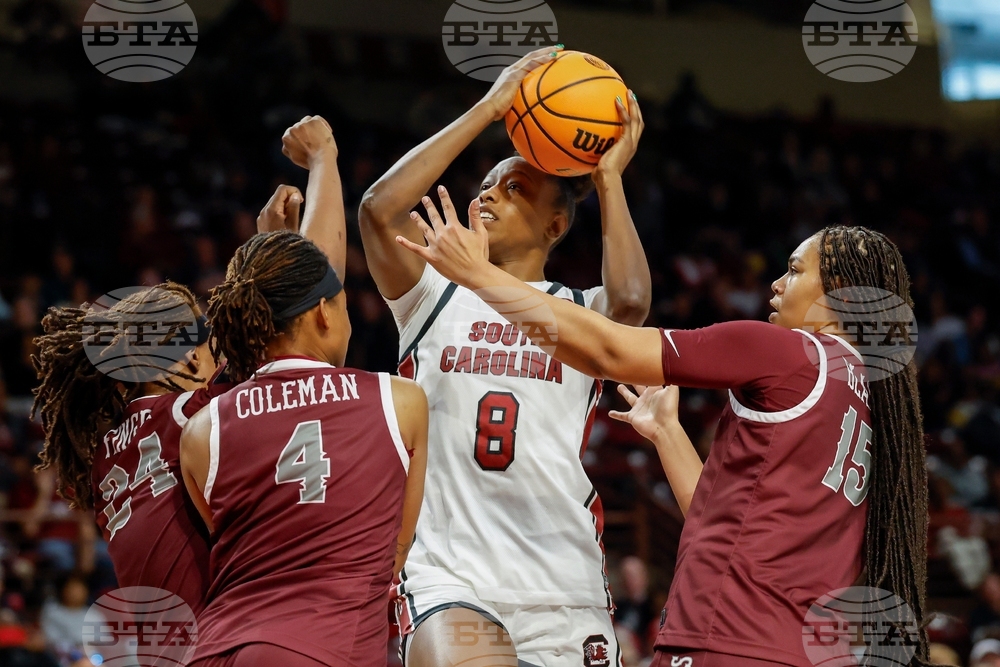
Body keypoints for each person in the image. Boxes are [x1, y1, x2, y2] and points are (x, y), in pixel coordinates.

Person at [398, 192, 931, 667]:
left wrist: (478, 275)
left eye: (794, 271)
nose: (775, 283)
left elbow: (608, 349)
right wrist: (668, 434)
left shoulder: (787, 354)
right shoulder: (869, 398)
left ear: (836, 289)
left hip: (728, 639)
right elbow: (727, 521)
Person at [359, 46, 651, 667]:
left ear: (554, 227)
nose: (487, 196)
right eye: (486, 185)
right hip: (450, 570)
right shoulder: (433, 292)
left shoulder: (578, 310)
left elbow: (630, 300)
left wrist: (609, 179)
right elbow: (379, 212)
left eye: (514, 189)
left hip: (561, 579)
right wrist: (488, 109)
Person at [30, 115, 345, 619]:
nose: (214, 346)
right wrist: (324, 159)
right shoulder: (189, 417)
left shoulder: (108, 452)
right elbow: (317, 302)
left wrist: (266, 256)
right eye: (199, 334)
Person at [180, 227, 428, 667]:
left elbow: (225, 540)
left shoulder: (202, 429)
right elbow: (396, 551)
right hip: (320, 645)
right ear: (324, 314)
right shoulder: (400, 400)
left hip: (214, 647)